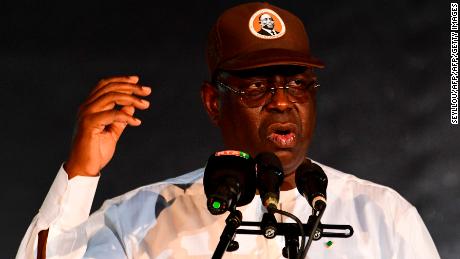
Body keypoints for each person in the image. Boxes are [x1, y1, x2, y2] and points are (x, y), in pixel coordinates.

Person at [17, 2, 440, 258]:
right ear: (213, 103)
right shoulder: (141, 221)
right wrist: (80, 174)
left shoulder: (385, 217)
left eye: (297, 84)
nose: (281, 100)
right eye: (256, 86)